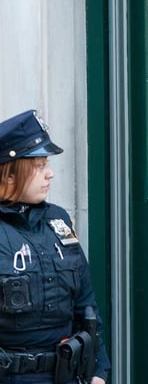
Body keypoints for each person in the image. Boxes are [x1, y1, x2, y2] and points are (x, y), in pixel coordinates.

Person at [0, 109, 110, 384]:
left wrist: (98, 371)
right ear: (10, 175)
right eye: (39, 166)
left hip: (67, 374)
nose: (49, 174)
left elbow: (86, 306)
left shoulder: (57, 220)